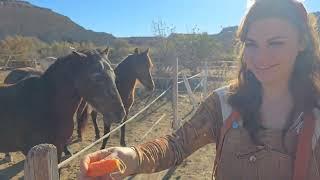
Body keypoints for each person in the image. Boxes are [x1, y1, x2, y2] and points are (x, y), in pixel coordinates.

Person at [78, 0, 320, 179]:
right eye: (251, 44)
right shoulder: (224, 103)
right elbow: (177, 144)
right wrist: (132, 157)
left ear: (302, 43)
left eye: (276, 43)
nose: (260, 58)